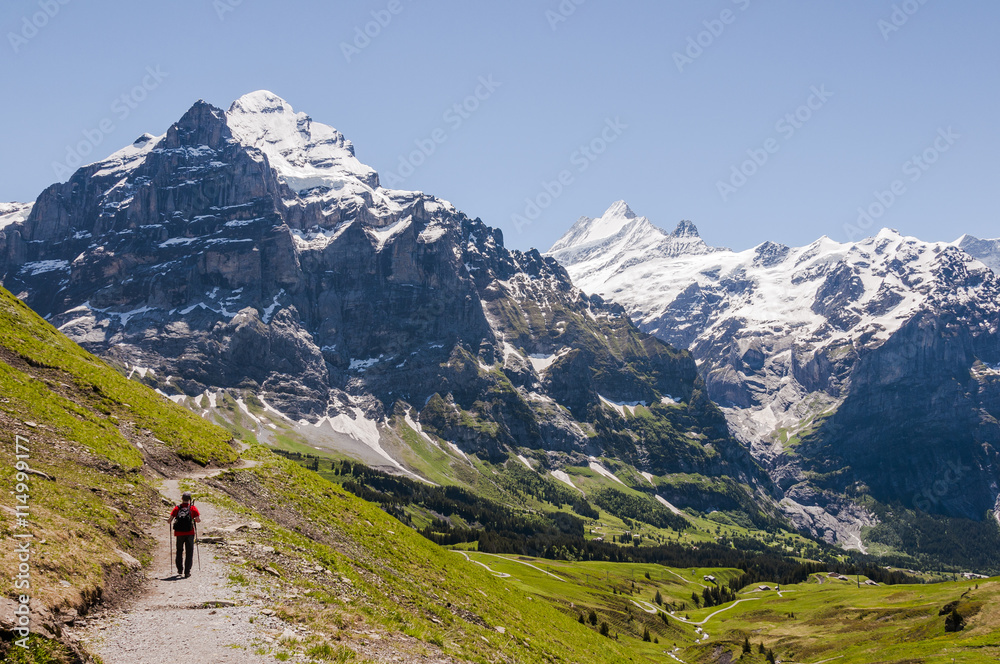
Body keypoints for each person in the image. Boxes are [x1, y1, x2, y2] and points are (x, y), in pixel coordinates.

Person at [168, 492, 201, 578]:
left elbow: (169, 520)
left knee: (179, 551)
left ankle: (179, 569)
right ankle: (187, 572)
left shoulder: (177, 508)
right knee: (189, 552)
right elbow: (198, 520)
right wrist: (193, 519)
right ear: (189, 500)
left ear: (182, 498)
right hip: (190, 533)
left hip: (179, 533)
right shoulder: (193, 508)